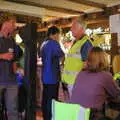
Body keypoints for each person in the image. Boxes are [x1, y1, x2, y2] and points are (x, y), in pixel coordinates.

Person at [69, 47, 120, 120]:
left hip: (73, 115)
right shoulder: (105, 76)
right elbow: (116, 94)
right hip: (89, 116)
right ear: (104, 59)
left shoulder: (81, 73)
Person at [62, 18, 93, 97]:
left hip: (78, 83)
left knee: (79, 107)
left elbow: (87, 65)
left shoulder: (86, 43)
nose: (71, 29)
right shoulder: (76, 41)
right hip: (72, 82)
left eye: (74, 27)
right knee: (75, 106)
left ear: (82, 29)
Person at [40, 26, 64, 120]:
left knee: (45, 98)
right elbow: (62, 55)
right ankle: (50, 117)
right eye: (58, 34)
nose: (59, 37)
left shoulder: (44, 44)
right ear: (54, 34)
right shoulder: (54, 43)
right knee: (52, 99)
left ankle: (45, 116)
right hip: (53, 76)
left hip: (45, 76)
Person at [0, 15, 19, 119]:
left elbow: (14, 59)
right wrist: (3, 56)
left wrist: (16, 71)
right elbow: (6, 56)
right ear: (5, 23)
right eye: (13, 23)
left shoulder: (12, 40)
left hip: (11, 81)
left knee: (13, 110)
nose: (14, 26)